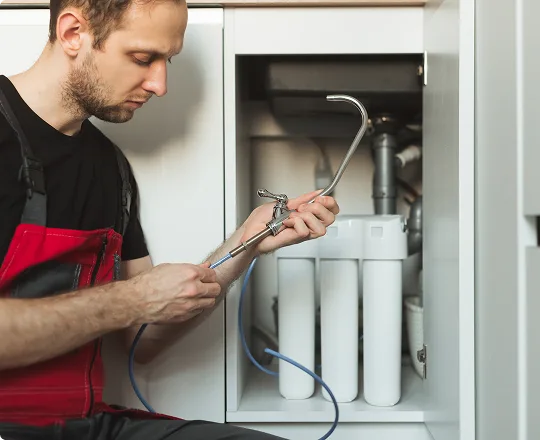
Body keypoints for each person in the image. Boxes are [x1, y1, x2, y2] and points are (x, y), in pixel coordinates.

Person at [0, 0, 340, 439]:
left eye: (167, 61)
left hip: (87, 424)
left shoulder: (110, 167)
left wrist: (248, 240)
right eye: (143, 58)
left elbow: (146, 339)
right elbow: (135, 304)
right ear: (72, 33)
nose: (160, 84)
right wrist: (129, 299)